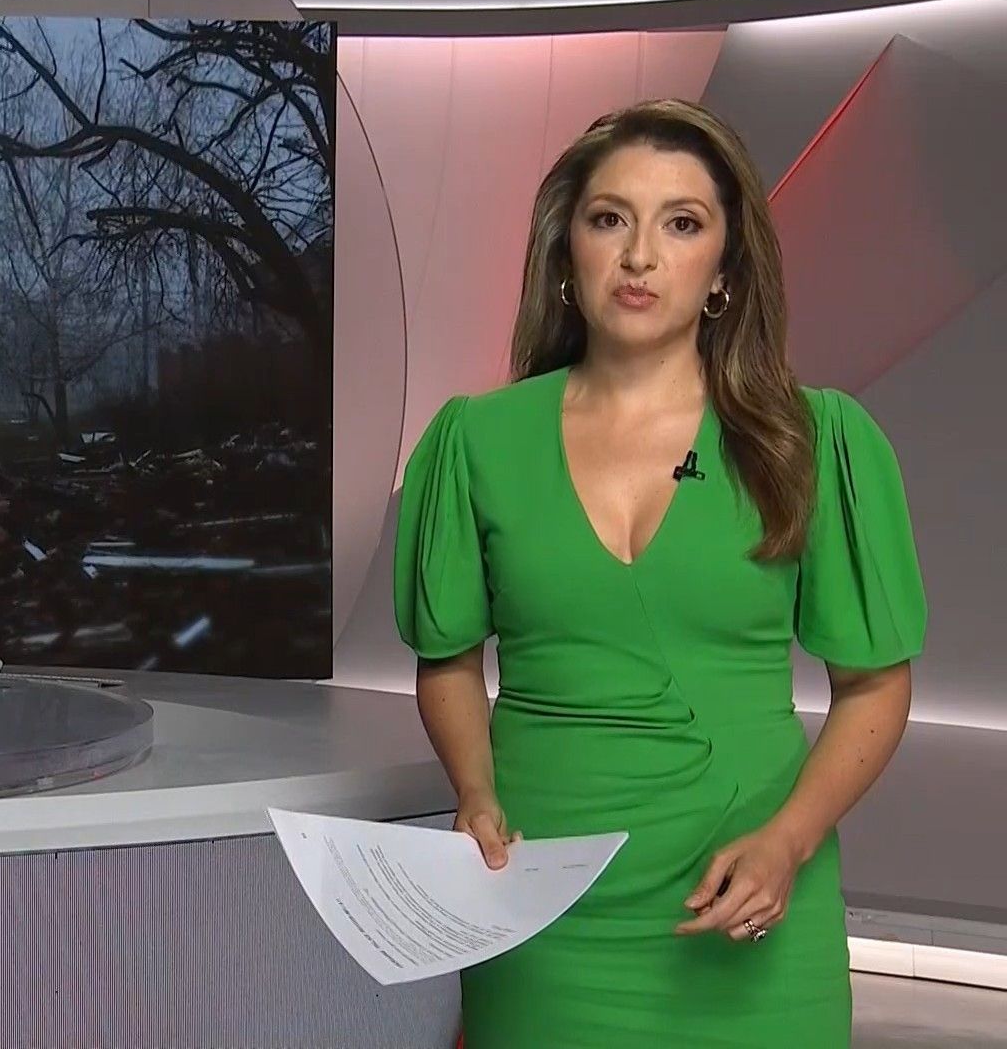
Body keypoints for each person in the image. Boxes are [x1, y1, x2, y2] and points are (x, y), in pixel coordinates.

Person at [392, 99, 926, 1047]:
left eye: (682, 223)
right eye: (610, 219)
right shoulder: (475, 441)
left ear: (724, 269)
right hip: (540, 906)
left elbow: (876, 686)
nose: (639, 255)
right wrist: (474, 793)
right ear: (567, 253)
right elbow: (448, 662)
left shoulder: (810, 440)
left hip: (749, 901)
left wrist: (789, 841)